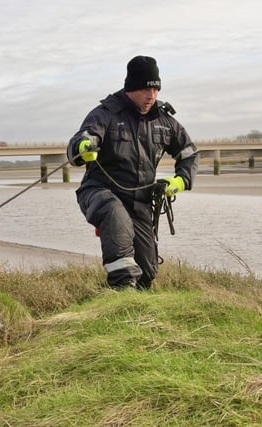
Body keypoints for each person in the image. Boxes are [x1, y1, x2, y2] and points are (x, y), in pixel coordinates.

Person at [67, 55, 199, 291]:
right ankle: (122, 290)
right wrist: (84, 147)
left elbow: (189, 153)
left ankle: (134, 298)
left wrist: (181, 180)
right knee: (116, 216)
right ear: (131, 88)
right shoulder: (105, 113)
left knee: (147, 273)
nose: (152, 96)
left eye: (157, 90)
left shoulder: (165, 121)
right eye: (146, 90)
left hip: (140, 201)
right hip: (100, 191)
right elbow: (81, 140)